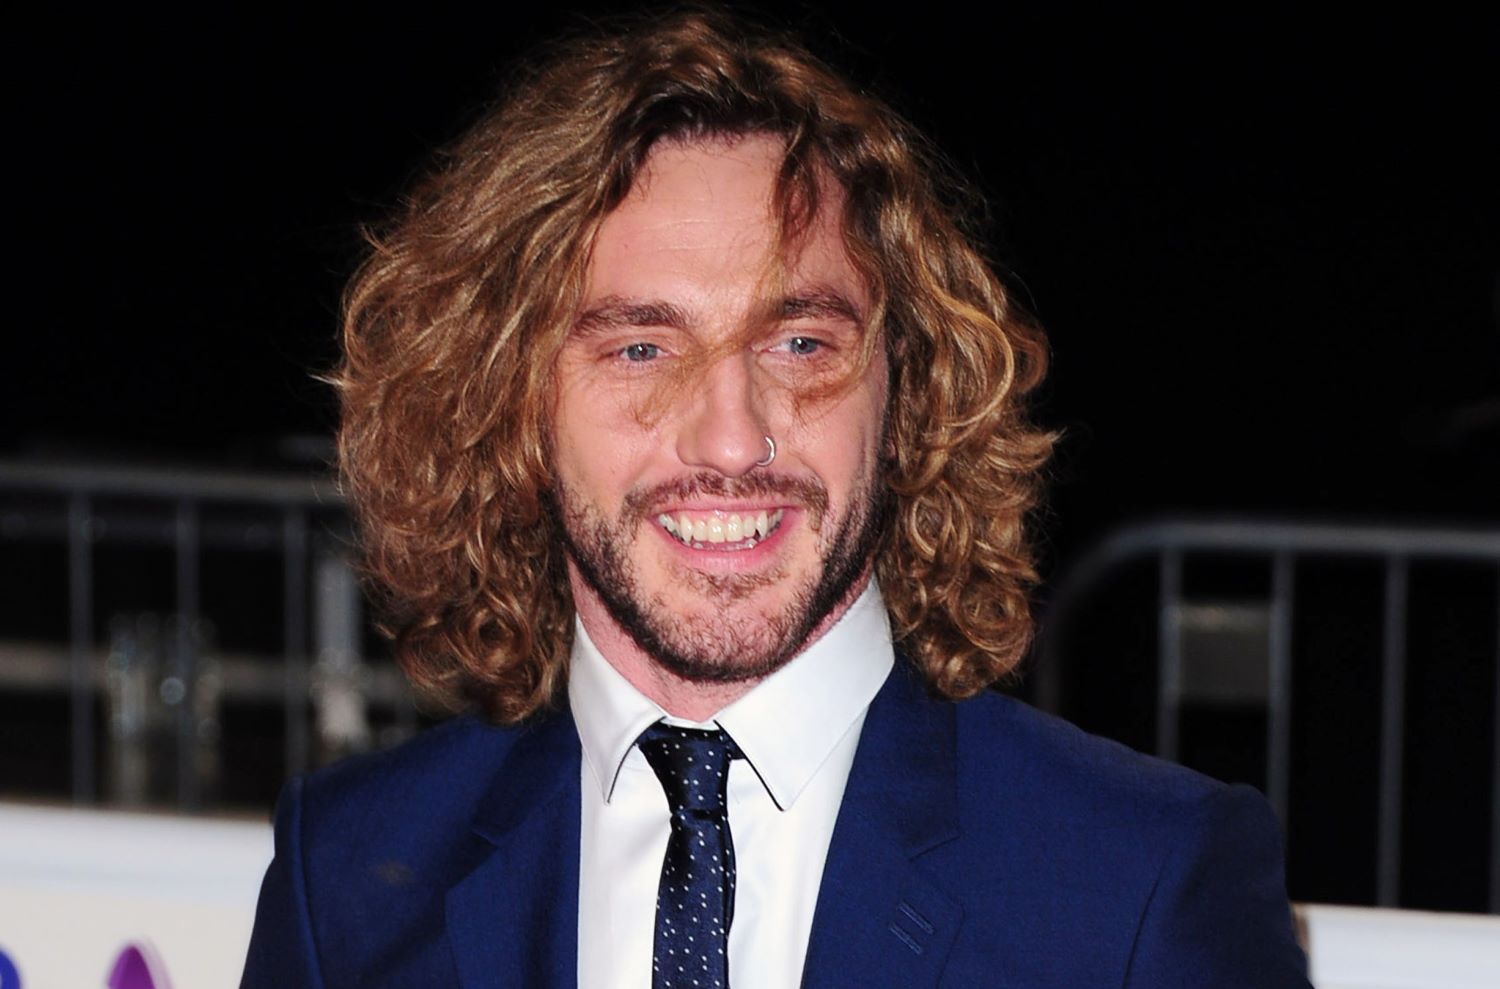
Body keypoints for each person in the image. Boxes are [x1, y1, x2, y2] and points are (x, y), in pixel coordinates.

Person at [242, 7, 1310, 987]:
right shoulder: (346, 879)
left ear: (908, 385)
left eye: (800, 342)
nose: (732, 435)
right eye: (642, 345)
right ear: (512, 397)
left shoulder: (1139, 886)